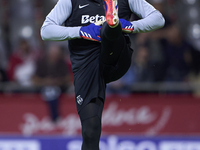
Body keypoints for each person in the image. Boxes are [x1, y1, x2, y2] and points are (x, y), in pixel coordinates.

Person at [41, 0, 165, 149]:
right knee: (90, 130)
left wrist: (132, 26)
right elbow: (46, 31)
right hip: (86, 66)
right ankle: (112, 24)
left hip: (115, 57)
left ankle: (112, 25)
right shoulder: (70, 1)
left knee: (109, 29)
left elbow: (158, 19)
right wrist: (81, 31)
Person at [32, 44, 71, 122]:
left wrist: (57, 81)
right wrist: (45, 81)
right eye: (53, 54)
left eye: (56, 54)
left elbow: (67, 78)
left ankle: (55, 117)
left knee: (54, 92)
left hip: (59, 87)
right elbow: (35, 78)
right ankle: (53, 117)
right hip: (44, 87)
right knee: (50, 93)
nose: (54, 56)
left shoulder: (61, 62)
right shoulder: (42, 62)